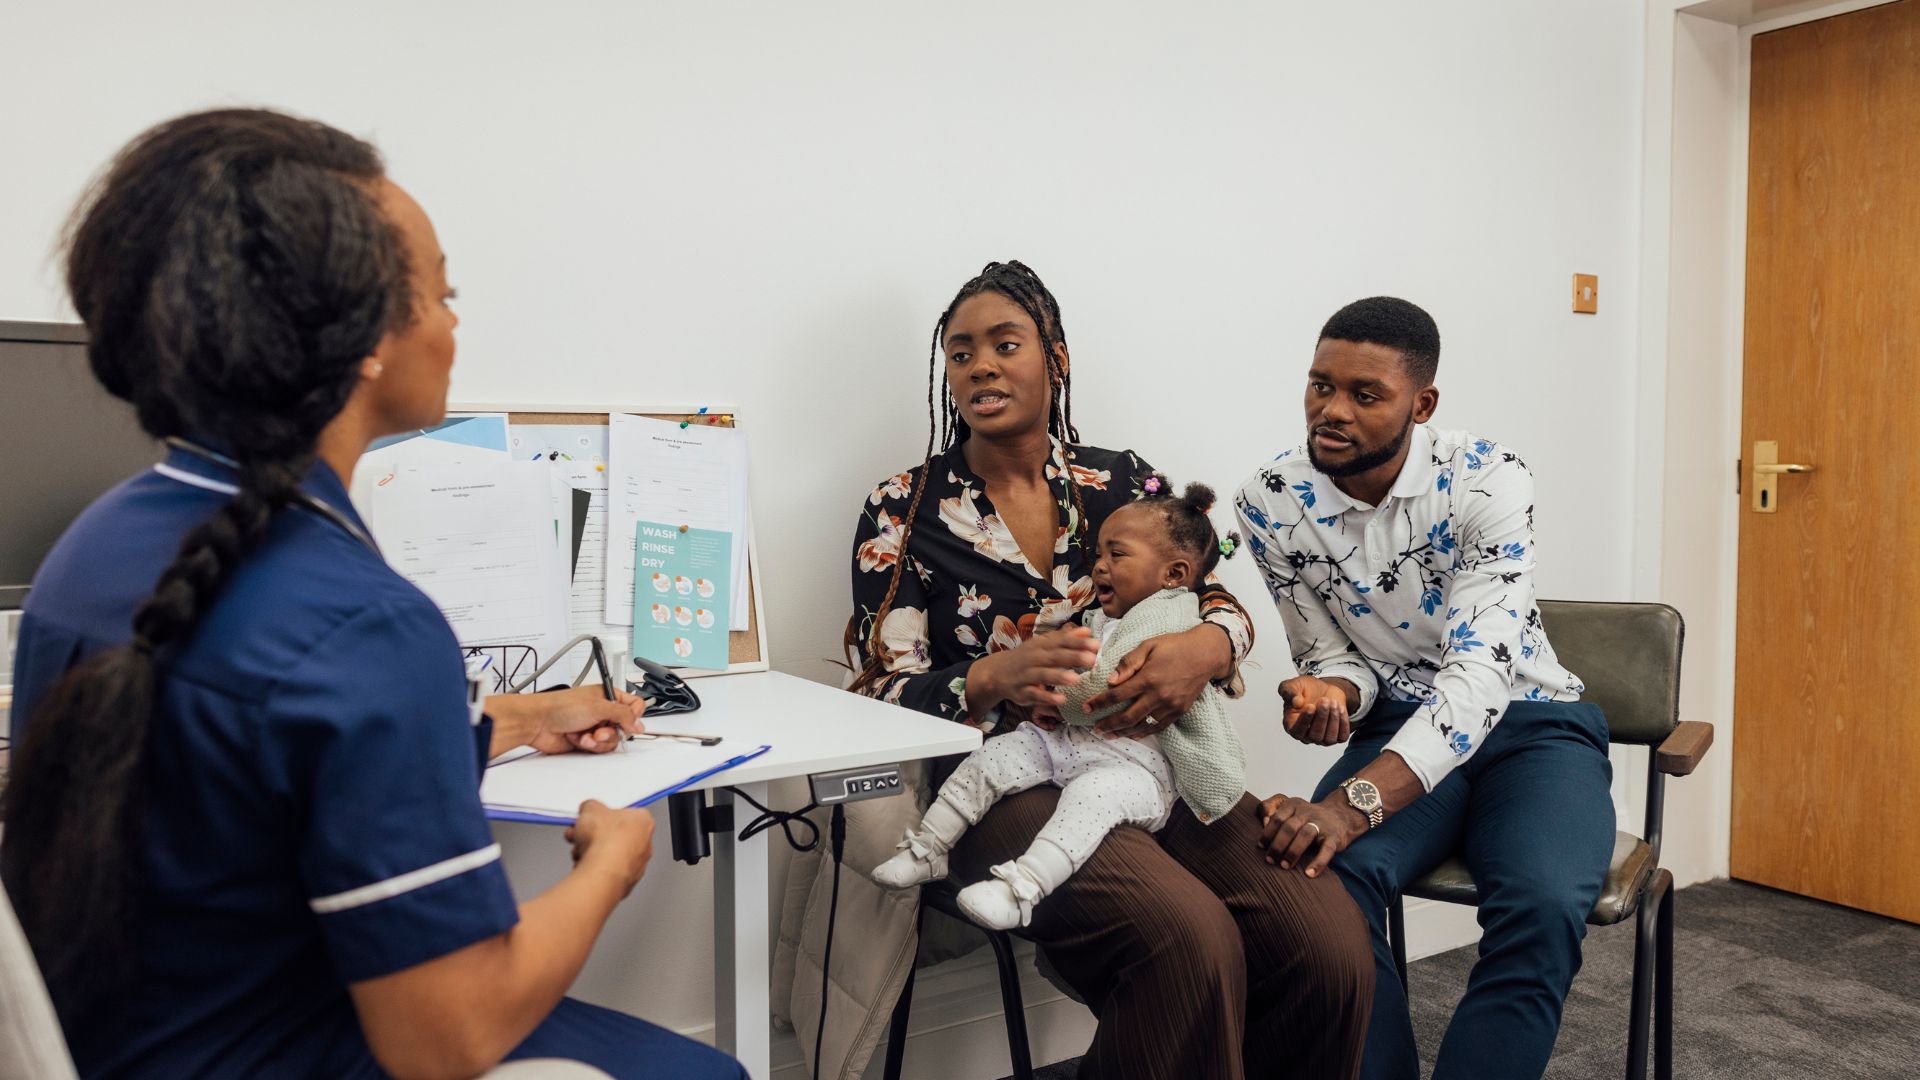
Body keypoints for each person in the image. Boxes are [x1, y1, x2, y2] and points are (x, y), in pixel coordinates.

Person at [0, 109, 745, 1080]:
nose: (455, 323)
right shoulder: (365, 627)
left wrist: (511, 722)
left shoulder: (90, 550)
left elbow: (243, 787)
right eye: (443, 293)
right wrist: (612, 861)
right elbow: (451, 1036)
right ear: (366, 343)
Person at [805, 260, 1373, 1080]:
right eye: (961, 353)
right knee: (1187, 940)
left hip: (1155, 763)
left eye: (1006, 343)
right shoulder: (903, 507)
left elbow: (1221, 606)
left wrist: (1205, 648)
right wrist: (995, 676)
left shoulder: (1119, 481)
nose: (981, 366)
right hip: (1001, 780)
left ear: (1056, 360)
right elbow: (880, 691)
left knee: (1325, 937)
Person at [1233, 297, 1614, 1080]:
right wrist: (1332, 695)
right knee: (1319, 887)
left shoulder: (1486, 480)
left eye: (1364, 394)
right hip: (1398, 728)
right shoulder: (1269, 499)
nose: (1331, 411)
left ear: (1422, 403)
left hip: (1533, 727)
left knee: (1541, 907)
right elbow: (1334, 655)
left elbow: (1478, 681)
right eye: (1319, 385)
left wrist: (1347, 807)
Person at [870, 477, 1249, 932]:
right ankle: (929, 847)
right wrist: (1042, 696)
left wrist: (1052, 693)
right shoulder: (1108, 616)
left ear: (1173, 574)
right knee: (994, 756)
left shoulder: (1171, 614)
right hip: (1068, 743)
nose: (1100, 567)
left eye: (1117, 555)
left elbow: (1101, 690)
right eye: (1100, 554)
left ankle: (1022, 888)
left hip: (1134, 771)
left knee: (1091, 799)